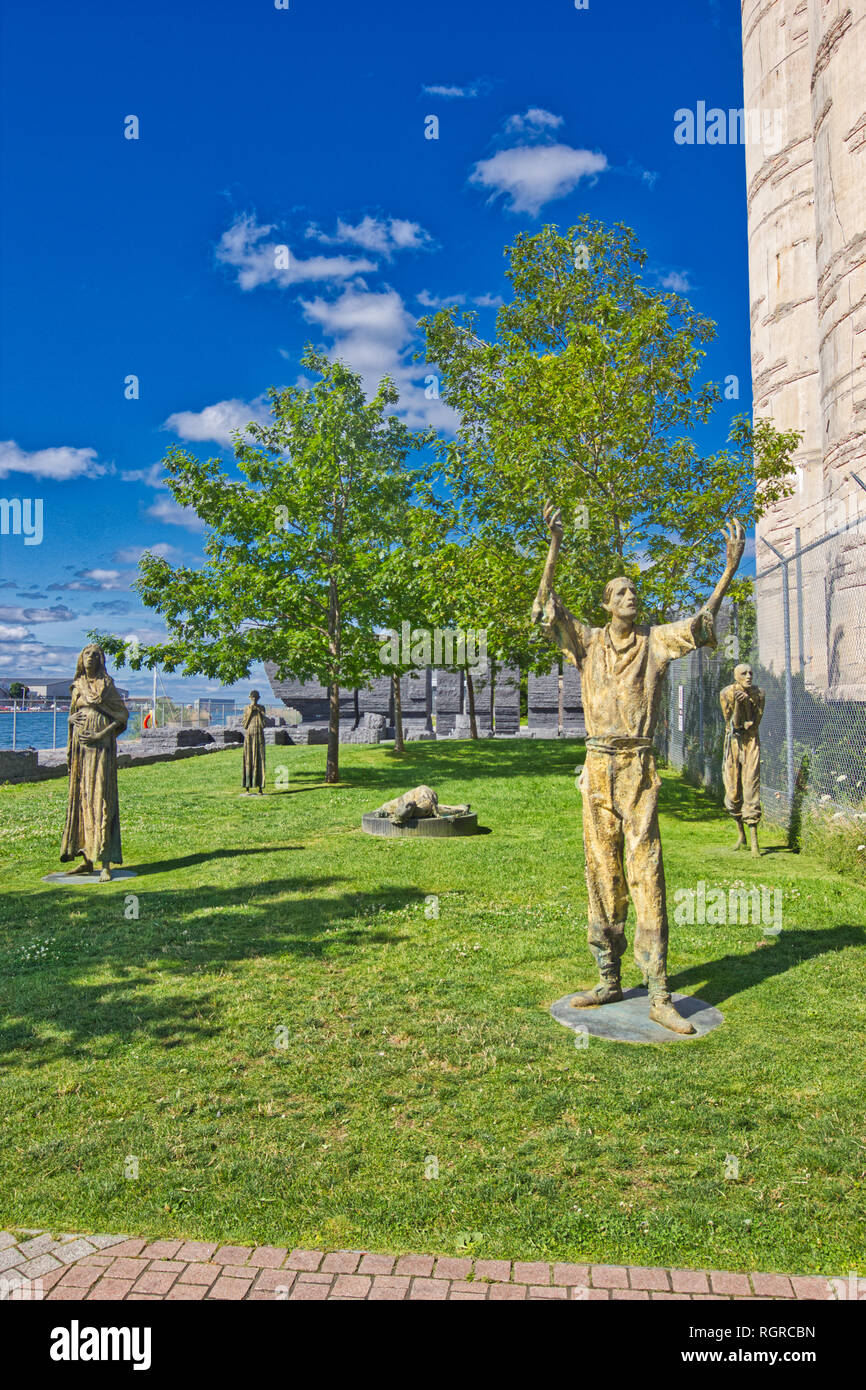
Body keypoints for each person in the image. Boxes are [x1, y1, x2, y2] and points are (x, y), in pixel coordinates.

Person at [531, 504, 745, 1034]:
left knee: (645, 871)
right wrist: (554, 546)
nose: (632, 595)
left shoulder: (654, 640)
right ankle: (608, 977)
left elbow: (698, 626)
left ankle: (658, 992)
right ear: (607, 604)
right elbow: (545, 606)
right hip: (597, 764)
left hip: (639, 767)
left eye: (634, 591)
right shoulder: (587, 642)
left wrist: (727, 572)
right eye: (621, 591)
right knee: (601, 871)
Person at [60, 644, 129, 881]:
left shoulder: (107, 686)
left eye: (95, 654)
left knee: (101, 796)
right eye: (86, 654)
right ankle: (86, 859)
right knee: (82, 798)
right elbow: (73, 713)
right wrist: (71, 718)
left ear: (100, 659)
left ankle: (106, 862)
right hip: (81, 750)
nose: (90, 657)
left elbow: (121, 716)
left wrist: (101, 734)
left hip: (101, 749)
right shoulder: (77, 686)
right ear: (81, 658)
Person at [720, 663, 764, 855]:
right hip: (733, 744)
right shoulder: (726, 693)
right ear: (736, 676)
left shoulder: (759, 694)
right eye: (743, 673)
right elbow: (734, 724)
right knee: (732, 792)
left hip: (751, 742)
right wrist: (739, 704)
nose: (748, 677)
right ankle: (741, 835)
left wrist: (748, 709)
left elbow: (753, 723)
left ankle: (754, 842)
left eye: (750, 673)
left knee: (750, 787)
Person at [242, 690, 267, 793]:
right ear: (249, 698)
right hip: (249, 736)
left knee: (260, 759)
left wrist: (259, 713)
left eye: (256, 697)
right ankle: (247, 786)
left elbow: (263, 724)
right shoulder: (246, 708)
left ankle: (260, 786)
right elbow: (244, 725)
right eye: (252, 697)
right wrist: (250, 712)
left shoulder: (261, 708)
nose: (254, 699)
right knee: (248, 759)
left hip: (259, 736)